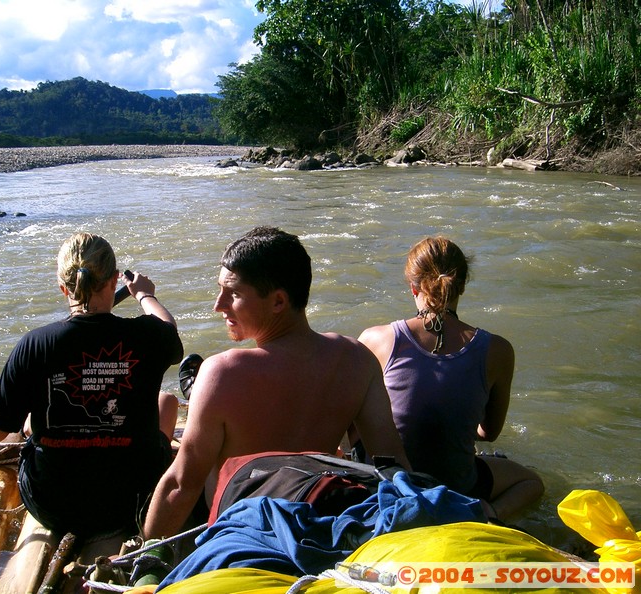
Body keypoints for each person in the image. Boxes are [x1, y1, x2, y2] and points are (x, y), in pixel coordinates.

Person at [142, 226, 409, 539]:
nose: (219, 304)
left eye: (234, 294)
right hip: (316, 525)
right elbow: (393, 462)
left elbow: (181, 485)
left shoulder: (221, 373)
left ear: (279, 302)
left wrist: (142, 558)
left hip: (242, 534)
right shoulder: (357, 360)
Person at [0, 232, 183, 537]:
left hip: (54, 504)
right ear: (115, 279)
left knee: (24, 422)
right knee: (167, 402)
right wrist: (144, 295)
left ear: (63, 287)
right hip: (133, 497)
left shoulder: (36, 344)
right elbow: (168, 329)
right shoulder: (149, 336)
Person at [357, 236, 544, 520]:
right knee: (531, 482)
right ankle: (487, 514)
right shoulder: (497, 350)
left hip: (389, 484)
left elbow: (353, 423)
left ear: (413, 287)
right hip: (457, 486)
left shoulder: (377, 339)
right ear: (463, 286)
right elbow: (488, 433)